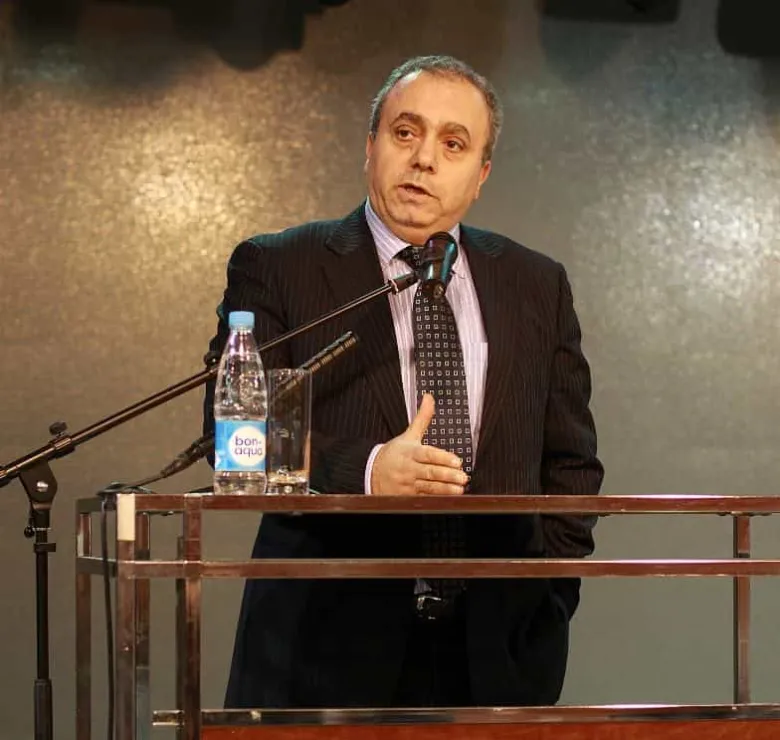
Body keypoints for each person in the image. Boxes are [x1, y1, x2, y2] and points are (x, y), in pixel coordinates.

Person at [203, 54, 604, 709]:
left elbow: (572, 465)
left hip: (497, 654)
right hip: (321, 649)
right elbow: (234, 435)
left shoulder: (536, 284)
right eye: (405, 132)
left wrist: (547, 598)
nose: (424, 159)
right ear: (370, 146)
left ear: (481, 175)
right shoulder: (278, 266)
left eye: (453, 144)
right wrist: (367, 472)